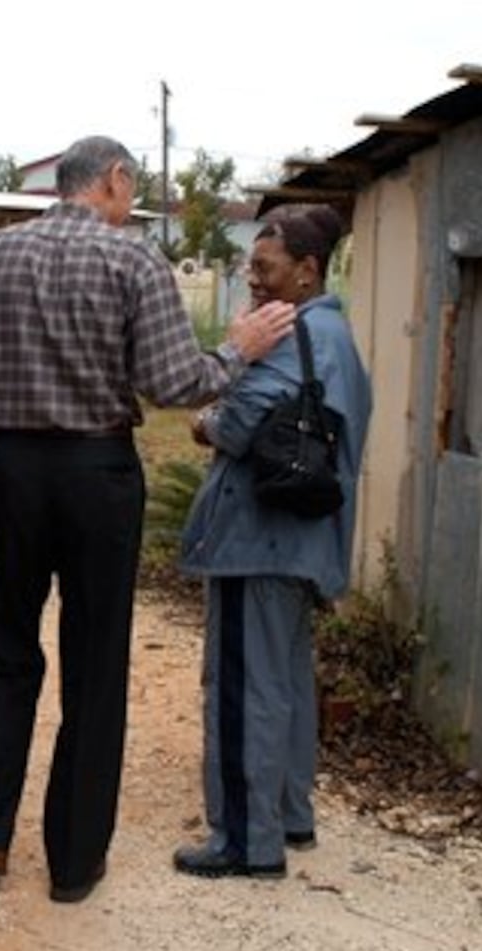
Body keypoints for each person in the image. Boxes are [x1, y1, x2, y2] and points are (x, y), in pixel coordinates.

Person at [0, 135, 297, 904]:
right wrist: (237, 349)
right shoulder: (132, 261)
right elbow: (172, 382)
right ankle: (72, 863)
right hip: (97, 474)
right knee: (95, 665)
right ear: (115, 179)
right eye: (131, 188)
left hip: (10, 470)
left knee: (6, 651)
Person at [173, 203, 373, 880]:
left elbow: (235, 425)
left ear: (307, 271)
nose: (252, 278)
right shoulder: (337, 335)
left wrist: (207, 418)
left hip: (255, 542)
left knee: (241, 690)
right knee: (283, 683)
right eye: (249, 265)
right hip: (302, 544)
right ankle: (290, 815)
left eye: (265, 266)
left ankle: (245, 842)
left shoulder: (285, 335)